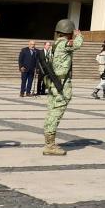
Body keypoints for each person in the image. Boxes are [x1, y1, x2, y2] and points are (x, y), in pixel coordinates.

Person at [39, 19, 84, 155]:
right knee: (56, 112)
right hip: (61, 83)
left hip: (54, 82)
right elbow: (78, 45)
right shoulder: (64, 43)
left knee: (52, 110)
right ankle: (50, 145)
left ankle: (49, 142)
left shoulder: (56, 43)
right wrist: (79, 35)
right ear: (69, 32)